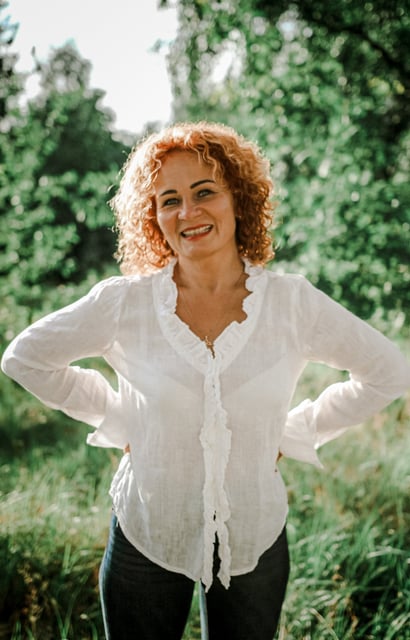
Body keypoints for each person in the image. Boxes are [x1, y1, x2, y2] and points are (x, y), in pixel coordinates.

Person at [1, 121, 410, 640]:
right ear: (153, 217)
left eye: (204, 192)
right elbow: (26, 358)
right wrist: (118, 418)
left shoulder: (292, 303)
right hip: (149, 533)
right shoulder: (124, 304)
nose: (187, 212)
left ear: (238, 198)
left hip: (254, 537)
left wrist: (295, 432)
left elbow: (387, 372)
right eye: (169, 200)